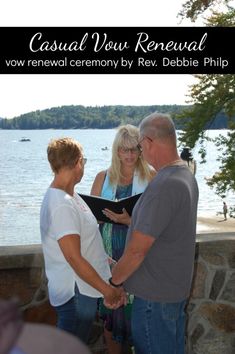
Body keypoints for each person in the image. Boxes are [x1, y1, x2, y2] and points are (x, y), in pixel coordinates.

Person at [111, 113, 199, 354]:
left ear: (149, 142)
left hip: (154, 302)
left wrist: (114, 281)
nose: (140, 151)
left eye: (140, 145)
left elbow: (137, 251)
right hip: (171, 295)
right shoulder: (185, 175)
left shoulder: (164, 185)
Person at [40, 137, 123, 345]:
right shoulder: (62, 205)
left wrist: (108, 262)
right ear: (77, 162)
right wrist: (108, 291)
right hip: (74, 294)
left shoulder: (71, 196)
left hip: (81, 293)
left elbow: (86, 242)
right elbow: (74, 258)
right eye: (83, 161)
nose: (83, 166)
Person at [91, 125, 155, 354]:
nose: (129, 156)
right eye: (124, 150)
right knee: (111, 314)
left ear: (140, 151)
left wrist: (130, 221)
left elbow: (157, 222)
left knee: (137, 314)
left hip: (137, 252)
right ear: (116, 151)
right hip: (108, 252)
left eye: (133, 150)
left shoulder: (151, 177)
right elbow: (90, 221)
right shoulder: (103, 177)